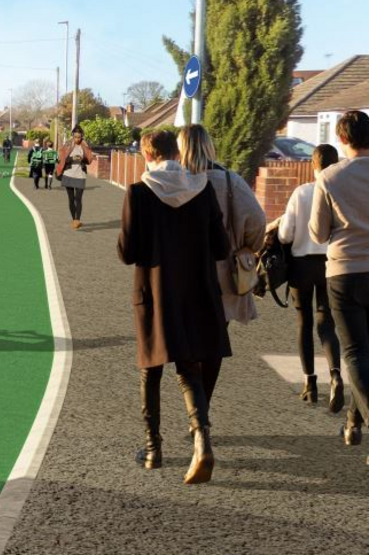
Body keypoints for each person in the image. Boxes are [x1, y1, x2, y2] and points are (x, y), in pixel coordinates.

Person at [118, 130, 230, 484]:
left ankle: (153, 449)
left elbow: (128, 253)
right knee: (189, 369)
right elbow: (221, 247)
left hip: (154, 291)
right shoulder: (203, 187)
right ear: (175, 153)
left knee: (151, 370)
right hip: (197, 290)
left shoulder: (138, 192)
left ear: (146, 154)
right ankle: (203, 441)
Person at [178, 124, 266, 403]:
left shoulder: (176, 182)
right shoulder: (230, 181)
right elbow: (258, 221)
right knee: (214, 343)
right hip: (224, 275)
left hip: (184, 274)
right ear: (209, 147)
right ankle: (203, 406)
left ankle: (194, 409)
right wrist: (246, 246)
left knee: (186, 343)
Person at [310, 110, 369, 456]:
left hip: (344, 271)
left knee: (356, 353)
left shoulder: (330, 177)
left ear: (342, 139)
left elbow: (317, 233)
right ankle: (352, 423)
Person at [274, 144, 343, 410]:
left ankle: (310, 385)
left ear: (313, 165)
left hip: (301, 265)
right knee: (327, 322)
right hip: (330, 263)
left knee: (304, 323)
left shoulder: (301, 193)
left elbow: (285, 235)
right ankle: (336, 374)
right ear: (336, 163)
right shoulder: (341, 192)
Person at [55, 125, 94, 230]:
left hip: (80, 175)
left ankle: (77, 220)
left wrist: (83, 158)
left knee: (79, 199)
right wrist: (72, 158)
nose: (77, 139)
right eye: (76, 136)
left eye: (79, 137)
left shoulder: (85, 146)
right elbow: (61, 160)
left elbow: (89, 160)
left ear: (82, 137)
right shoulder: (67, 146)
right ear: (72, 136)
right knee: (71, 199)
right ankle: (74, 220)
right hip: (68, 175)